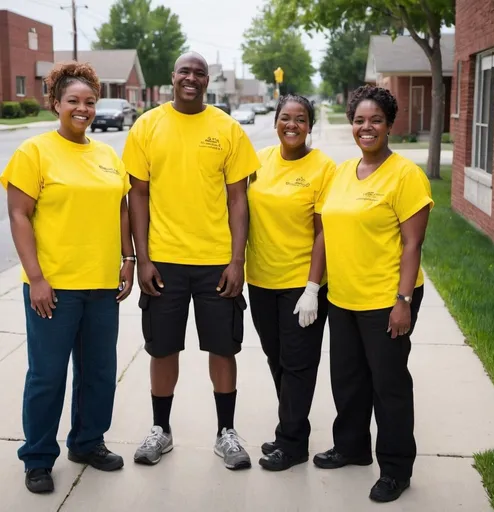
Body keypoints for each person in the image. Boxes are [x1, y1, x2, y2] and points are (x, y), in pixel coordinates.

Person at [1, 62, 134, 494]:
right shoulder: (34, 152)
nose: (82, 108)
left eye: (89, 102)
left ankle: (87, 442)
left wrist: (127, 257)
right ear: (55, 103)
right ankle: (38, 457)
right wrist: (36, 278)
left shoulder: (106, 154)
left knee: (98, 371)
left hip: (100, 285)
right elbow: (19, 214)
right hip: (53, 288)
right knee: (47, 375)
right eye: (73, 101)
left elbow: (121, 208)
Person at [123, 51, 260, 470]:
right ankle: (160, 431)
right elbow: (137, 196)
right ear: (172, 76)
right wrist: (142, 258)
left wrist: (237, 261)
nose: (191, 78)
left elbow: (239, 199)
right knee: (162, 349)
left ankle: (226, 434)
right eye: (184, 70)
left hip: (216, 262)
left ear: (207, 81)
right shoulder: (147, 125)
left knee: (223, 349)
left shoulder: (227, 129)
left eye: (200, 73)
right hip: (163, 262)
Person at [315, 85, 434, 503]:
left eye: (376, 121)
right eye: (360, 121)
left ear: (389, 125)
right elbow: (328, 229)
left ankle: (396, 469)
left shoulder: (406, 176)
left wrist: (403, 302)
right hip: (343, 297)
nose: (367, 128)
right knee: (347, 381)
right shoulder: (344, 172)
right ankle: (351, 448)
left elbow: (413, 245)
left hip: (386, 300)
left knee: (389, 386)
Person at [246, 94, 336, 471]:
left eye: (301, 119)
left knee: (299, 363)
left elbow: (323, 232)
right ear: (276, 121)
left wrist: (313, 288)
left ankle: (292, 442)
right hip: (261, 280)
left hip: (303, 284)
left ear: (310, 126)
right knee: (276, 357)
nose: (292, 125)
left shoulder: (324, 168)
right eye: (286, 118)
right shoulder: (260, 161)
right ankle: (292, 426)